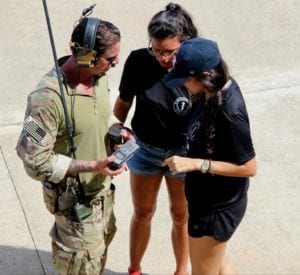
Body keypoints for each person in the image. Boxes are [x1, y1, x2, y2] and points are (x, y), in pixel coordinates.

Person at [16, 9, 128, 275]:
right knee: (81, 266)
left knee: (97, 258)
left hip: (102, 194)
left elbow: (97, 119)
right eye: (110, 58)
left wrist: (118, 132)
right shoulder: (45, 100)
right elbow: (34, 161)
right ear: (87, 56)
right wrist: (94, 164)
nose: (116, 63)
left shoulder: (99, 77)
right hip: (74, 203)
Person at [112, 3, 199, 275]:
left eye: (170, 52)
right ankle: (135, 269)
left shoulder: (195, 66)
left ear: (184, 42)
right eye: (156, 50)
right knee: (143, 213)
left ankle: (180, 271)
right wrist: (118, 129)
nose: (163, 58)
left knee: (181, 216)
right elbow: (122, 105)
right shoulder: (139, 61)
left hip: (183, 155)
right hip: (145, 150)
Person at [163, 37, 257, 275]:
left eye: (185, 78)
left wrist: (196, 163)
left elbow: (249, 167)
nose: (182, 84)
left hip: (216, 210)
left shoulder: (230, 113)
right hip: (208, 200)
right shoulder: (212, 91)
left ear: (205, 76)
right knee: (220, 263)